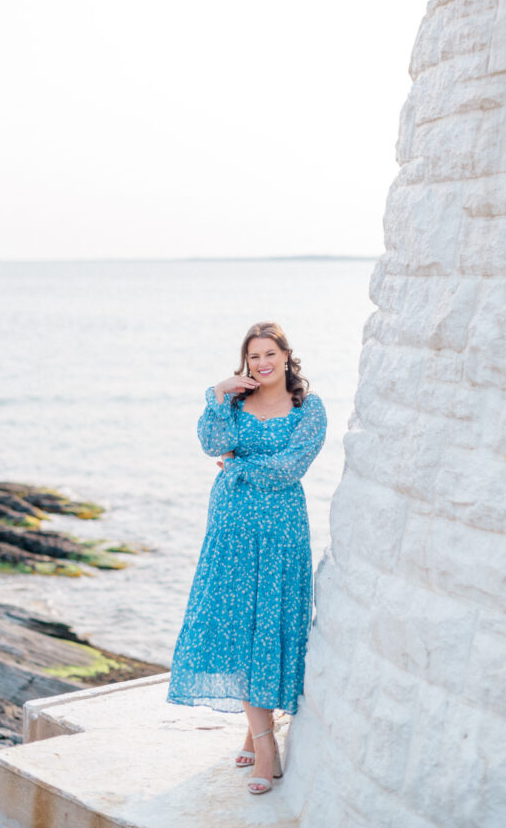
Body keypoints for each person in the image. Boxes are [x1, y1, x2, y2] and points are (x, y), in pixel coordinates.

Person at [166, 320, 327, 796]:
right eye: (253, 356)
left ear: (285, 356)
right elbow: (212, 444)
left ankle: (260, 739)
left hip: (281, 530)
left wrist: (239, 464)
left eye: (269, 354)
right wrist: (216, 392)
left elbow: (291, 467)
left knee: (271, 624)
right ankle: (263, 741)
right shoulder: (233, 402)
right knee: (239, 624)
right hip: (231, 526)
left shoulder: (308, 407)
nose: (261, 363)